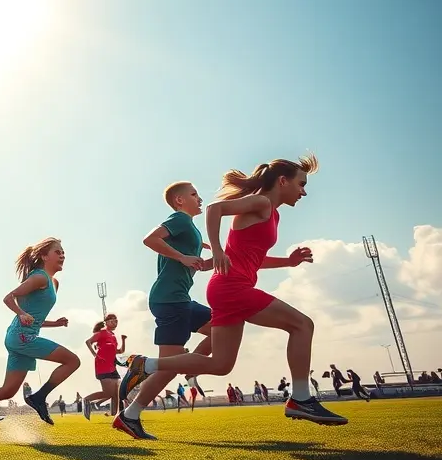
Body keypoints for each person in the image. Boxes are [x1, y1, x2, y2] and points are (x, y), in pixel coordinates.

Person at [120, 155, 347, 426]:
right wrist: (215, 249)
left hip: (229, 287)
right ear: (283, 181)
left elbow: (252, 258)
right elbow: (215, 209)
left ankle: (146, 365)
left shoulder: (272, 213)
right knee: (302, 325)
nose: (304, 191)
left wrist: (288, 261)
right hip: (232, 287)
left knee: (221, 364)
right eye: (301, 184)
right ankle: (301, 399)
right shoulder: (262, 202)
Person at [112, 181, 212, 440]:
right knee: (168, 368)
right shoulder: (179, 220)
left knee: (222, 328)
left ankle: (187, 367)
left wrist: (224, 256)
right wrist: (182, 257)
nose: (200, 198)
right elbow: (150, 239)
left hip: (181, 299)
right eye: (194, 194)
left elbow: (199, 265)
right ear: (179, 201)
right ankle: (131, 408)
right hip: (169, 300)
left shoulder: (191, 230)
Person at [0, 238, 78, 432]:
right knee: (73, 361)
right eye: (57, 252)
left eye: (63, 252)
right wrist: (21, 313)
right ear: (44, 256)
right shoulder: (40, 278)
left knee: (8, 390)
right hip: (22, 337)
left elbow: (33, 319)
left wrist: (55, 324)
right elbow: (9, 297)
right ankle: (39, 397)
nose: (62, 255)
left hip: (20, 338)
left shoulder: (54, 282)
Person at [82, 314, 125, 421]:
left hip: (112, 367)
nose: (115, 323)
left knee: (116, 394)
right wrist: (95, 355)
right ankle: (87, 400)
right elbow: (88, 342)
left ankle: (116, 417)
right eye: (113, 321)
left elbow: (119, 351)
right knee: (108, 393)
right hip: (102, 366)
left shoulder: (113, 336)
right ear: (106, 322)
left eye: (116, 321)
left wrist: (123, 340)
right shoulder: (102, 333)